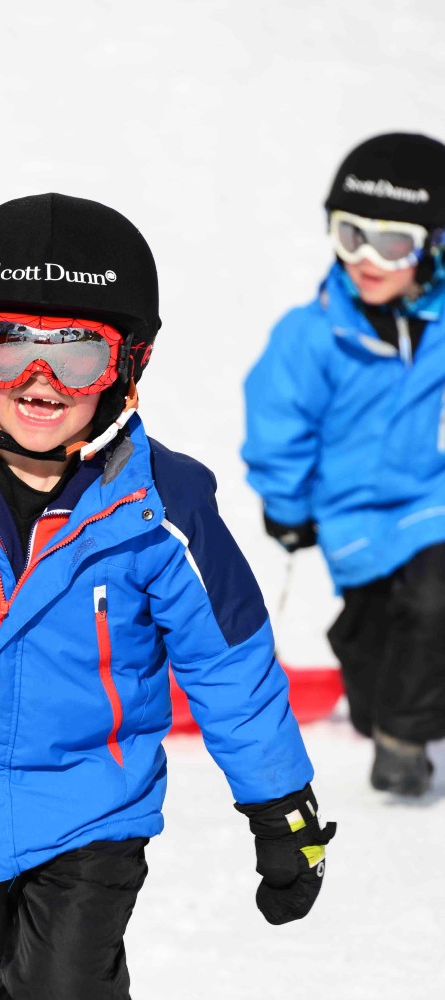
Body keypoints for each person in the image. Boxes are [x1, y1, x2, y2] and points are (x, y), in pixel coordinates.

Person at [0, 193, 335, 998]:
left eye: (78, 355)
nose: (40, 383)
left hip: (93, 812)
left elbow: (228, 662)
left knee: (64, 989)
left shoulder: (165, 509)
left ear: (129, 364)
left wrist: (280, 807)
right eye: (8, 347)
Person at [242, 132, 445, 798]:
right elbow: (279, 427)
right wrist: (287, 509)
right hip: (351, 517)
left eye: (392, 244)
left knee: (432, 598)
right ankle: (382, 714)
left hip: (431, 500)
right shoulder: (313, 333)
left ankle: (403, 743)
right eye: (350, 234)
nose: (366, 259)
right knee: (373, 641)